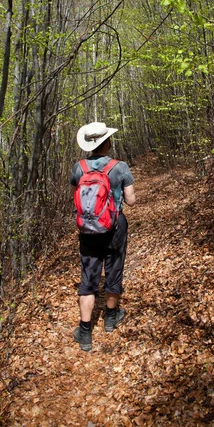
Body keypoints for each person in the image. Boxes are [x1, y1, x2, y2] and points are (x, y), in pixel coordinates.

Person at [70, 122, 136, 352]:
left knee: (88, 278)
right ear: (107, 142)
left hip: (87, 230)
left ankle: (85, 332)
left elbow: (76, 201)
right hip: (115, 228)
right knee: (114, 269)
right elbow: (131, 200)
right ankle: (110, 318)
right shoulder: (120, 167)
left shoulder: (78, 168)